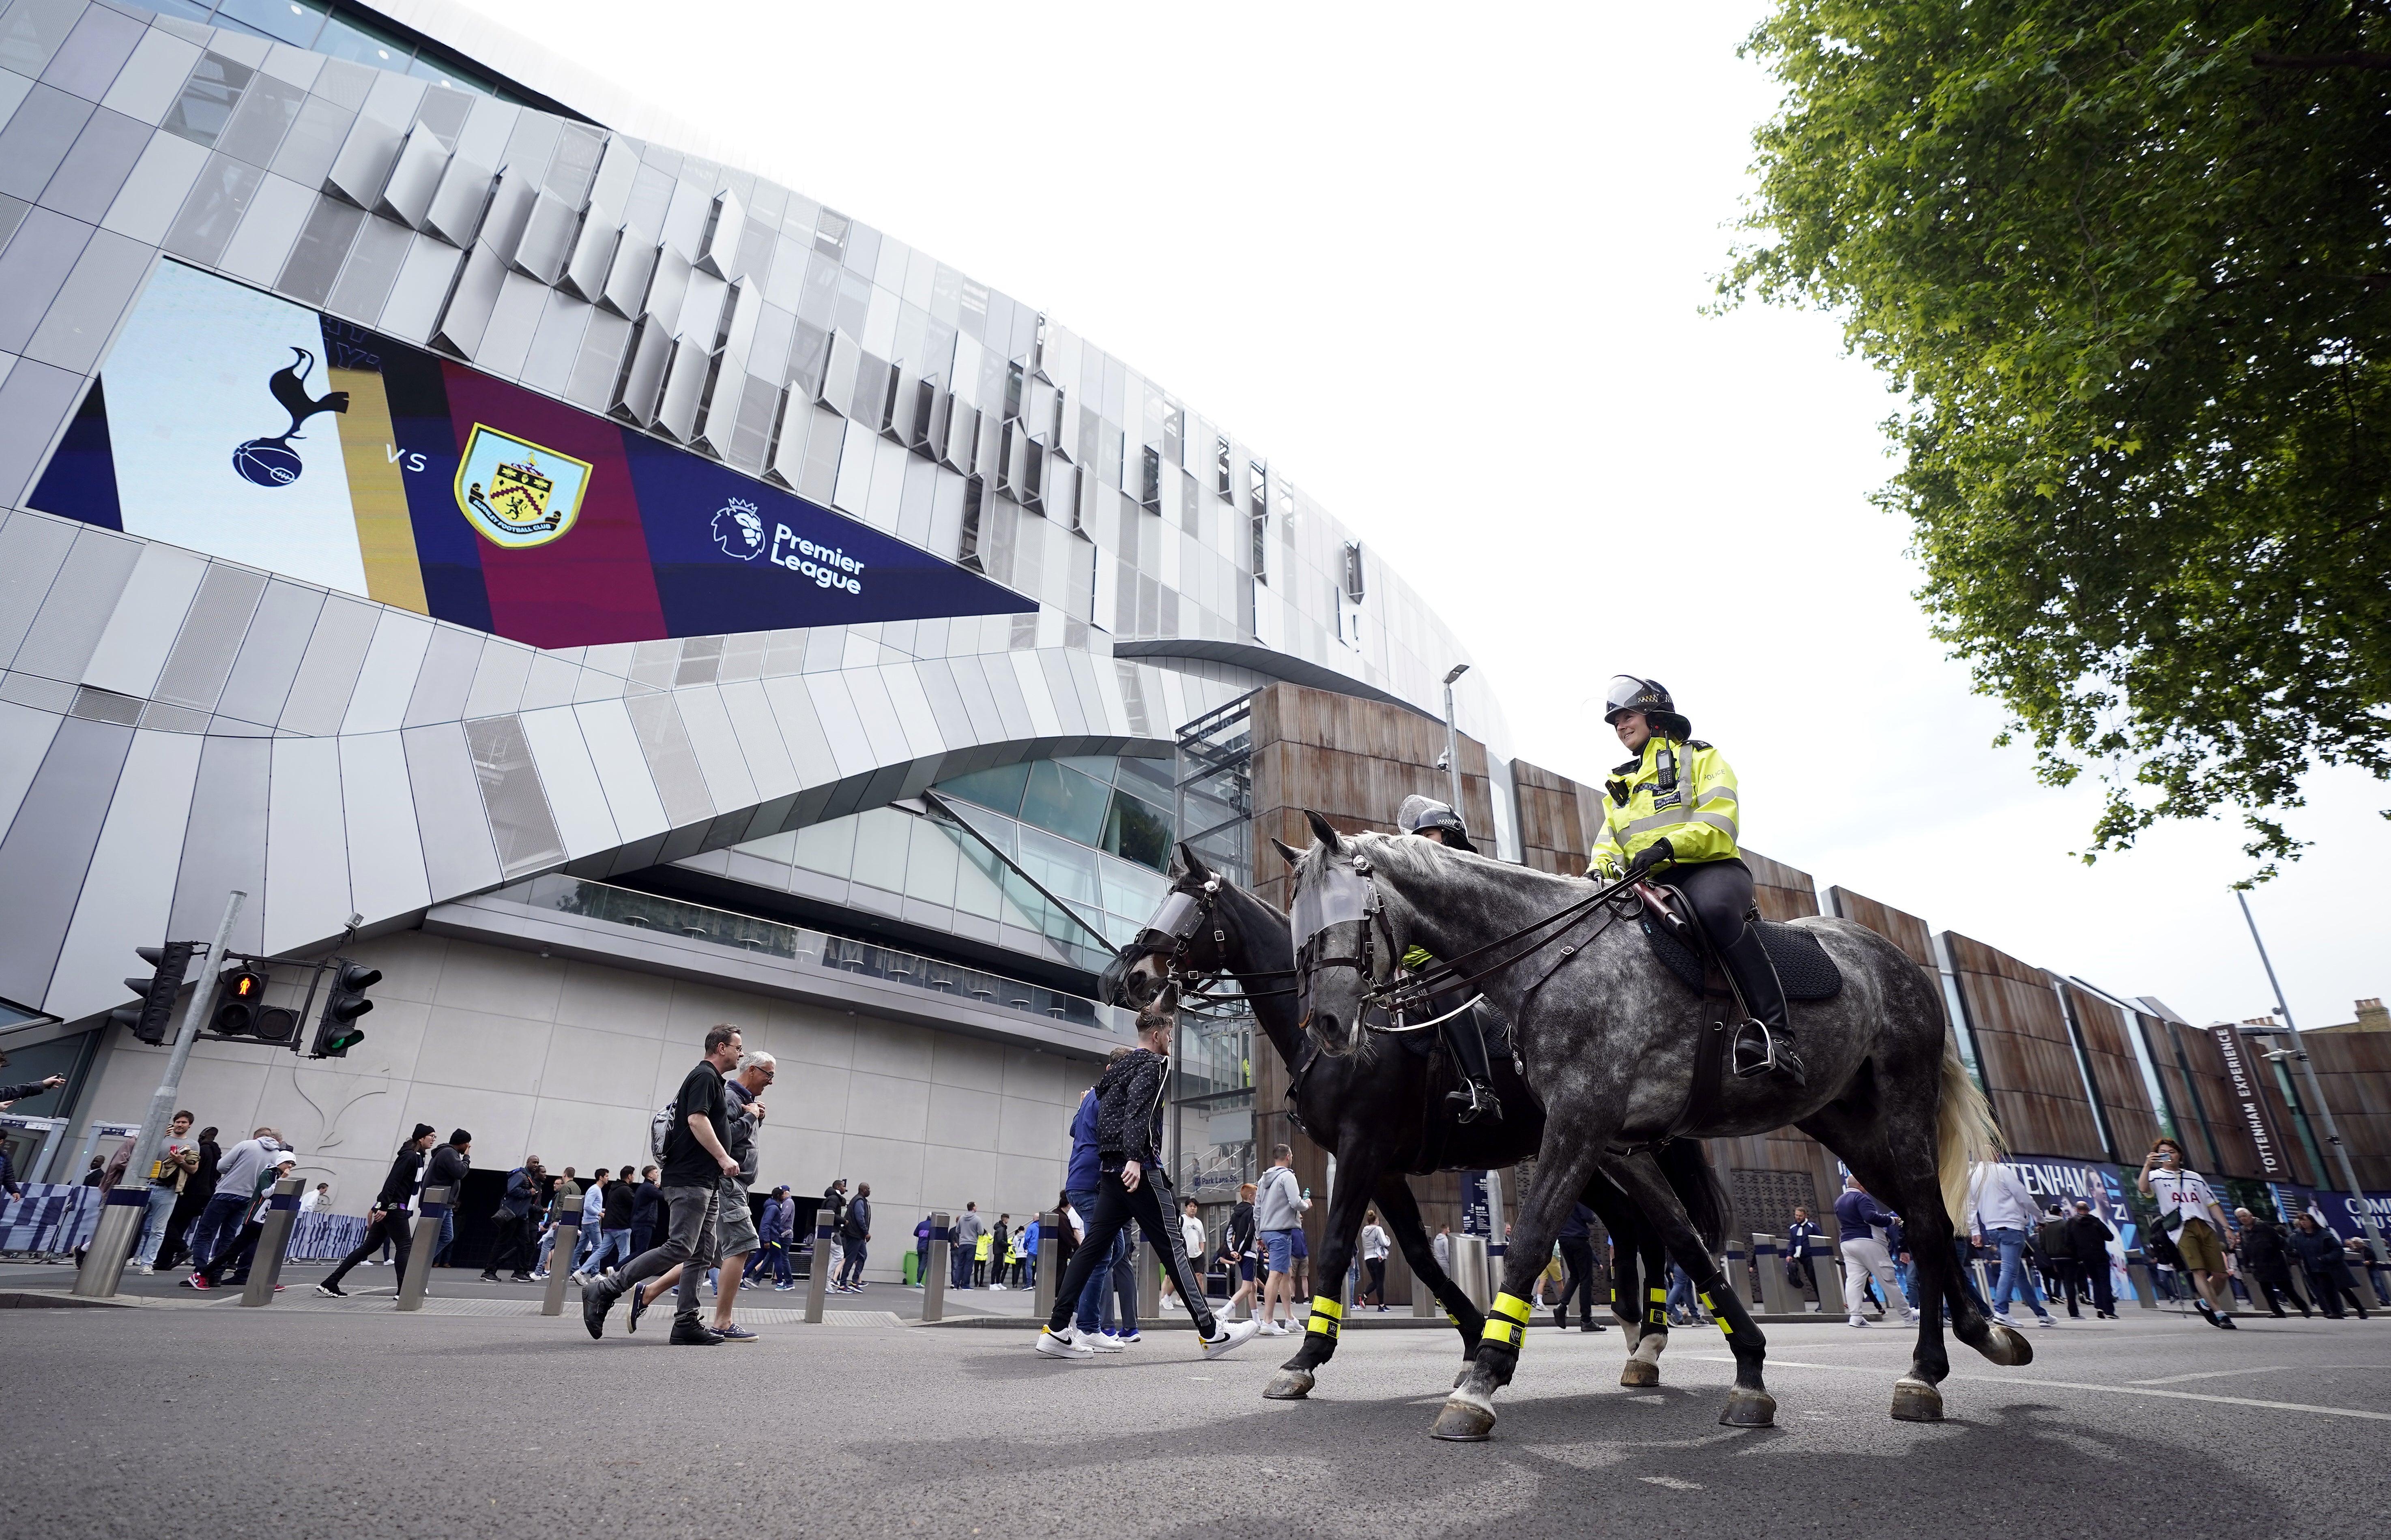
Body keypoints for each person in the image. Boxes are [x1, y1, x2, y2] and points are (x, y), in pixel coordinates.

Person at [1590, 676, 1801, 1085]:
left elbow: (1721, 822)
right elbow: (1608, 843)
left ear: (1654, 718)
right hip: (1648, 882)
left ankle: (1778, 1036)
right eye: (1615, 720)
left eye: (1626, 716)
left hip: (1709, 868)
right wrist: (1598, 870)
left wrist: (1668, 846)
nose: (1619, 726)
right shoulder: (1620, 783)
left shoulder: (1700, 757)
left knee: (1716, 912)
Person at [1033, 1008, 1261, 1361]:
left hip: (1110, 1172)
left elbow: (1105, 1114)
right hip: (1137, 1169)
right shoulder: (1154, 1065)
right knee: (1173, 1247)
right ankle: (1211, 1331)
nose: (1171, 1041)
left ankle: (1058, 1328)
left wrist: (1118, 1158)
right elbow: (1139, 1109)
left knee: (1093, 1247)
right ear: (1157, 1035)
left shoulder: (1117, 1069)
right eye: (1170, 1034)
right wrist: (1135, 1158)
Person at [584, 1024, 744, 1345]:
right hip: (689, 1180)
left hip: (705, 1181)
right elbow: (696, 1120)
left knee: (701, 1253)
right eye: (738, 1047)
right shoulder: (704, 1076)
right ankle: (605, 1288)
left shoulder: (713, 1080)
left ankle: (686, 1322)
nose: (741, 1053)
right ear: (722, 1048)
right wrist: (724, 1158)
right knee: (681, 1247)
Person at [1392, 794, 1507, 1120]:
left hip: (1458, 961)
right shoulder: (1416, 877)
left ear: (1450, 835)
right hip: (1411, 968)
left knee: (1440, 983)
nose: (1421, 844)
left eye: (1427, 836)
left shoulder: (1467, 873)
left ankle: (1481, 1089)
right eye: (1418, 838)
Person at [2137, 1137, 2238, 1328]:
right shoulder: (2156, 1175)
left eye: (2172, 1152)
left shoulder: (2195, 1177)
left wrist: (2227, 1227)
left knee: (2221, 1274)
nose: (2169, 1156)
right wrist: (2147, 1165)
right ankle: (2220, 1313)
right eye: (2163, 1152)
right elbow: (2143, 1189)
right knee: (2198, 1271)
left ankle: (2205, 1304)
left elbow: (2212, 1203)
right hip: (2181, 1228)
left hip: (2205, 1225)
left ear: (2180, 1155)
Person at [191, 1147, 300, 1289]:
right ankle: (201, 1275)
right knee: (236, 1250)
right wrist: (282, 1180)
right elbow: (266, 1193)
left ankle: (267, 1280)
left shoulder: (277, 1175)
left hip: (264, 1219)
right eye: (288, 1163)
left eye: (293, 1164)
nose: (290, 1166)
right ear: (280, 1162)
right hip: (255, 1219)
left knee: (265, 1250)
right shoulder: (268, 1173)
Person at [1966, 1160, 2056, 1328]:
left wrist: (1976, 1231)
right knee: (2009, 1269)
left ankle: (2041, 1314)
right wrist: (2040, 1218)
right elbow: (2024, 1198)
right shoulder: (2002, 1171)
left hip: (1992, 1229)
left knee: (2018, 1272)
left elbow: (1971, 1206)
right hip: (2011, 1227)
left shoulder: (1973, 1175)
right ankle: (2002, 1311)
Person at [186, 1128, 284, 1282]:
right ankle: (216, 1275)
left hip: (227, 1192)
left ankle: (201, 1273)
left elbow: (221, 1167)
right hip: (250, 1198)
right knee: (229, 1237)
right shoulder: (277, 1154)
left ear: (256, 1137)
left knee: (206, 1234)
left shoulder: (246, 1145)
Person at [1834, 1175, 1915, 1327]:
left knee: (1854, 1280)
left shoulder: (1840, 1201)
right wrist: (1893, 1220)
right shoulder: (1861, 1198)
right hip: (1868, 1241)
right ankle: (1908, 1316)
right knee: (1888, 1279)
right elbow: (1871, 1217)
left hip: (1847, 1242)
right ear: (1860, 1184)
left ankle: (1856, 1317)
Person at [1254, 1144, 1309, 1335]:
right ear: (1288, 1157)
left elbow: (1258, 1209)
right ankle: (1268, 1321)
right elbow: (1295, 1202)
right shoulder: (1288, 1176)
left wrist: (1259, 1235)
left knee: (1286, 1273)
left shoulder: (1263, 1180)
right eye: (1291, 1155)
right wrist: (1307, 1205)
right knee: (1276, 1274)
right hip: (1281, 1232)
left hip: (1268, 1231)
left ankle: (1290, 1319)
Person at [133, 1111, 199, 1270]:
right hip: (147, 1184)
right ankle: (124, 1257)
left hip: (168, 1189)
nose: (180, 1125)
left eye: (184, 1123)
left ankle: (147, 1263)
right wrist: (159, 1136)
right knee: (133, 1225)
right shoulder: (160, 1139)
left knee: (159, 1229)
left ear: (190, 1125)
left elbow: (193, 1169)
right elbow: (139, 1155)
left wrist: (181, 1161)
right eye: (178, 1122)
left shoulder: (192, 1145)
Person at [155, 1125, 221, 1272]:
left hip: (190, 1192)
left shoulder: (201, 1150)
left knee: (168, 1223)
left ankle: (180, 1250)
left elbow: (192, 1171)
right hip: (206, 1193)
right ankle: (164, 1260)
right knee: (181, 1226)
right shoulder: (216, 1153)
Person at [2232, 1207, 2309, 1319]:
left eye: (2244, 1216)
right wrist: (2247, 1264)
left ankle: (2304, 1308)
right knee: (2267, 1291)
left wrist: (2291, 1254)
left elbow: (2279, 1241)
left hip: (2275, 1262)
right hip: (2259, 1265)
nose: (2243, 1219)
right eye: (2240, 1217)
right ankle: (2277, 1311)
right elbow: (2245, 1249)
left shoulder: (2263, 1226)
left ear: (2251, 1215)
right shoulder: (2243, 1231)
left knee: (2287, 1289)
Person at [2289, 1214, 2370, 1319]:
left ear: (2312, 1222)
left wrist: (2326, 1258)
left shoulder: (2324, 1235)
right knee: (2327, 1291)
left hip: (2332, 1267)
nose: (2303, 1223)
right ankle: (2336, 1312)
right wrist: (2294, 1254)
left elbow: (2338, 1250)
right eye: (2301, 1221)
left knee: (2344, 1289)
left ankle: (2360, 1309)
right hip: (2316, 1268)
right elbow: (2299, 1251)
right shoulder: (2299, 1237)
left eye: (2305, 1220)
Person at [2062, 1200, 2118, 1319]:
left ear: (2077, 1210)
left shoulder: (2071, 1223)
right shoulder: (2096, 1221)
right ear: (2088, 1210)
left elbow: (2068, 1242)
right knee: (2105, 1282)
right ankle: (2109, 1310)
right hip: (2100, 1255)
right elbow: (2110, 1237)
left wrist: (2077, 1255)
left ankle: (2099, 1307)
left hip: (2085, 1257)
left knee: (2095, 1281)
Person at [577, 1169, 636, 1283]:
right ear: (629, 1176)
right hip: (620, 1226)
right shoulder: (623, 1190)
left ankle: (580, 1272)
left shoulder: (613, 1189)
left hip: (608, 1226)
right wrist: (600, 1213)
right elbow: (588, 1206)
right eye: (607, 1176)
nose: (608, 1178)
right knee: (624, 1253)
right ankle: (620, 1277)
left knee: (600, 1251)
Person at [1554, 1201, 1606, 1331]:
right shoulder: (1579, 1197)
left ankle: (1562, 1306)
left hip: (1564, 1240)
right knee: (1586, 1280)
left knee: (1575, 1276)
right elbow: (1588, 1216)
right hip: (1579, 1239)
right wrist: (1594, 1217)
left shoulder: (1562, 1199)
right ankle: (1586, 1320)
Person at [426, 1130, 471, 1267]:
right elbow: (460, 1172)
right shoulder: (449, 1153)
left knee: (447, 1237)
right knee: (432, 1237)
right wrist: (467, 1158)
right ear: (461, 1143)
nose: (469, 1146)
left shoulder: (449, 1153)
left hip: (446, 1203)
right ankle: (420, 1263)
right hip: (440, 1202)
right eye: (467, 1143)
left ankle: (424, 1262)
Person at [531, 1166, 580, 1279]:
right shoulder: (577, 1188)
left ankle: (539, 1272)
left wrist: (557, 1220)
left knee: (547, 1244)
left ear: (565, 1175)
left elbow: (562, 1205)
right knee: (566, 1247)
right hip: (571, 1221)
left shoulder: (565, 1187)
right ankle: (574, 1270)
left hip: (560, 1222)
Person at [1220, 1182, 1259, 1322]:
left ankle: (1256, 1320)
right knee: (1247, 1287)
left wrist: (1233, 1251)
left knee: (1253, 1285)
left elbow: (1228, 1233)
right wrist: (1241, 1251)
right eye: (1256, 1196)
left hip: (1240, 1254)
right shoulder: (1253, 1211)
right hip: (1248, 1253)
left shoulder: (1235, 1213)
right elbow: (1250, 1233)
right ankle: (1224, 1311)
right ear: (1251, 1197)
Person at [754, 1186, 795, 1289]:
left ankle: (787, 1282)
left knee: (781, 1258)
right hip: (780, 1234)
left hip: (783, 1236)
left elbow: (782, 1218)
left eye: (783, 1193)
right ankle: (757, 1278)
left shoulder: (788, 1203)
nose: (782, 1195)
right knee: (772, 1257)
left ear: (786, 1193)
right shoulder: (781, 1204)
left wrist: (776, 1227)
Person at [836, 1181, 872, 1292]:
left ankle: (854, 1282)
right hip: (855, 1234)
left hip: (858, 1235)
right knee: (851, 1259)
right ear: (863, 1190)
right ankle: (843, 1285)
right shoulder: (859, 1201)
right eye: (868, 1189)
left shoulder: (860, 1200)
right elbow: (860, 1218)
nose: (870, 1191)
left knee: (862, 1256)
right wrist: (866, 1232)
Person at [1785, 1205, 1821, 1301]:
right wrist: (1789, 1254)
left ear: (1805, 1216)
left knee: (1813, 1277)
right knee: (1794, 1275)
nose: (1798, 1218)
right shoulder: (1793, 1228)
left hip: (1810, 1256)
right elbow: (1792, 1243)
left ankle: (1822, 1300)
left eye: (1800, 1216)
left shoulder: (1812, 1227)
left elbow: (1820, 1240)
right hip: (1799, 1256)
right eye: (1797, 1215)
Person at [629, 1166, 663, 1259]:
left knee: (640, 1251)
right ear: (650, 1175)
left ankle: (622, 1270)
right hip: (644, 1222)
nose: (658, 1174)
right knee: (641, 1251)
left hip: (640, 1222)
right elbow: (663, 1196)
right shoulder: (648, 1188)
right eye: (656, 1172)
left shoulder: (645, 1187)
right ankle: (616, 1269)